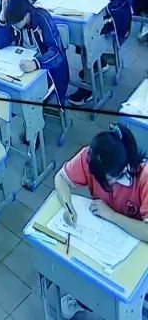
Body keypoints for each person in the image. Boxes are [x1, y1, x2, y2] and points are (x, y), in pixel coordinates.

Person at [55, 123, 148, 319]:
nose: (105, 185)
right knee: (88, 270)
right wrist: (68, 207)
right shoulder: (92, 157)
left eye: (108, 180)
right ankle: (85, 299)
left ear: (123, 168)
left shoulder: (144, 177)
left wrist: (111, 215)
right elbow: (61, 179)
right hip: (104, 236)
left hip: (136, 242)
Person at [0, 0, 69, 104]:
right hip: (22, 68)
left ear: (27, 15)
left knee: (21, 100)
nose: (14, 26)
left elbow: (57, 52)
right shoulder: (14, 18)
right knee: (5, 93)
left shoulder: (42, 18)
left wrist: (36, 63)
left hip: (48, 71)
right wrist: (2, 15)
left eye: (17, 23)